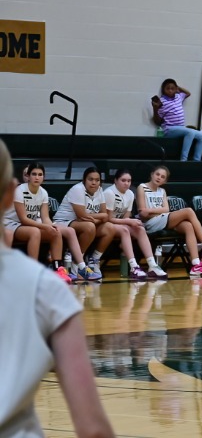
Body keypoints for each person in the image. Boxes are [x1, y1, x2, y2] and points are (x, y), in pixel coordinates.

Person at [0, 139, 115, 437]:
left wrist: (46, 225)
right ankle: (67, 265)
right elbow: (93, 427)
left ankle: (64, 263)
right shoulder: (48, 291)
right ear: (12, 192)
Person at [3, 162, 86, 283]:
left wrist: (51, 226)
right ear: (28, 176)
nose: (37, 177)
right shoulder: (20, 191)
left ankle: (58, 269)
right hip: (11, 223)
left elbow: (45, 217)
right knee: (35, 232)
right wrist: (44, 226)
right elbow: (23, 219)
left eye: (40, 174)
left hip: (27, 224)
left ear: (44, 177)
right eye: (34, 174)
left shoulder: (43, 193)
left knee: (55, 232)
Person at [136, 165, 202, 277]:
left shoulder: (162, 191)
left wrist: (150, 210)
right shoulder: (142, 187)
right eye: (157, 174)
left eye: (162, 177)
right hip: (150, 223)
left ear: (165, 181)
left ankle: (196, 265)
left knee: (188, 226)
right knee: (188, 211)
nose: (159, 177)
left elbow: (166, 209)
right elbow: (143, 213)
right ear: (152, 174)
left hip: (163, 219)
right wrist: (156, 211)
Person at [53, 167, 116, 281]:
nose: (94, 183)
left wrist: (94, 219)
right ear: (84, 180)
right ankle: (77, 264)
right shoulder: (77, 189)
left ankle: (93, 261)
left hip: (84, 223)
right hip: (64, 222)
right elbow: (81, 215)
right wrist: (98, 217)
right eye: (90, 179)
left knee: (110, 228)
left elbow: (105, 215)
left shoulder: (100, 190)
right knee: (89, 227)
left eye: (97, 180)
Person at [104, 169, 168, 279]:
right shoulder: (109, 193)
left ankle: (152, 265)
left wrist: (131, 222)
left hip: (119, 224)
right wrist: (129, 221)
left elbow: (125, 218)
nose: (126, 183)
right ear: (115, 180)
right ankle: (134, 267)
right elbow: (108, 219)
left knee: (140, 229)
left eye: (129, 181)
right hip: (106, 224)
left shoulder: (130, 194)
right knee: (125, 230)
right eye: (123, 180)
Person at [151, 78, 202, 161]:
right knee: (190, 132)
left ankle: (197, 160)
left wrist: (178, 88)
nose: (170, 90)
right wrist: (155, 108)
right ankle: (183, 159)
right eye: (167, 88)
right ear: (163, 90)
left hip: (181, 128)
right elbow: (157, 121)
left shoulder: (178, 97)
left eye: (172, 88)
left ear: (176, 89)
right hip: (169, 129)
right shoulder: (162, 101)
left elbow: (188, 93)